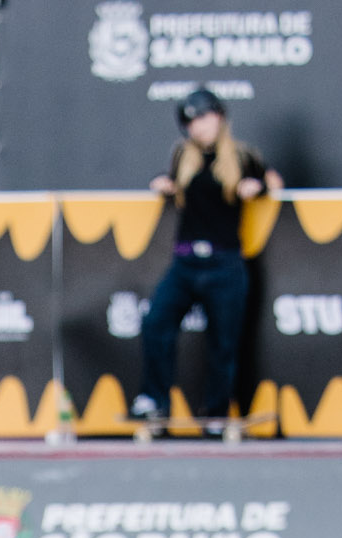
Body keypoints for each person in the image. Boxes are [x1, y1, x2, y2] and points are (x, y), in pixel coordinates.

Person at [133, 88, 280, 441]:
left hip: (225, 261)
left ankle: (216, 412)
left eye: (203, 118)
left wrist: (256, 187)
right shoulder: (183, 155)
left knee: (223, 342)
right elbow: (169, 180)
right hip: (186, 260)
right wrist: (164, 183)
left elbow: (273, 181)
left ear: (219, 116)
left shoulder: (243, 155)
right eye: (191, 122)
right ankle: (155, 401)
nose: (198, 127)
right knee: (156, 323)